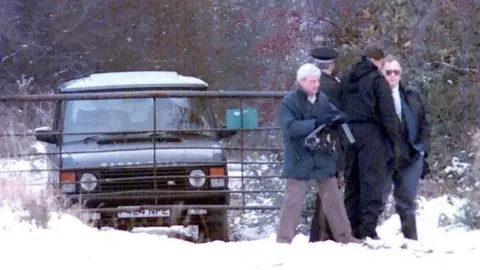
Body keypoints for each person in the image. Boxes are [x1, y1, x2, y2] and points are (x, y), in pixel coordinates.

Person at [276, 63, 361, 244]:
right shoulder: (290, 102)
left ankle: (344, 237)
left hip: (321, 155)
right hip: (300, 156)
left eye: (317, 81)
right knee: (293, 201)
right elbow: (290, 127)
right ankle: (283, 240)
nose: (316, 85)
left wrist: (339, 119)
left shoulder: (322, 99)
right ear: (302, 82)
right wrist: (316, 123)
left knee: (334, 199)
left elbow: (333, 115)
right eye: (312, 81)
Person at [338, 43, 402, 240]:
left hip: (349, 133)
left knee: (352, 182)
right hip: (372, 135)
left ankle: (351, 227)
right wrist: (395, 139)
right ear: (379, 61)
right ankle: (367, 229)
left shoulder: (347, 79)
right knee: (371, 183)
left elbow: (339, 105)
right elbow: (387, 113)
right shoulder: (377, 81)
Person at [381, 55, 430, 240]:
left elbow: (424, 124)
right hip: (385, 156)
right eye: (388, 72)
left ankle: (411, 241)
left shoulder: (412, 96)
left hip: (411, 155)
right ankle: (367, 240)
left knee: (407, 201)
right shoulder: (374, 98)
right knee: (378, 201)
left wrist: (423, 148)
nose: (392, 76)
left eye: (396, 72)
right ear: (381, 73)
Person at [309, 47, 346, 242]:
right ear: (331, 64)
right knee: (329, 190)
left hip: (312, 143)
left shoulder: (306, 85)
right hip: (330, 144)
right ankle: (322, 235)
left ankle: (320, 234)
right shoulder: (333, 87)